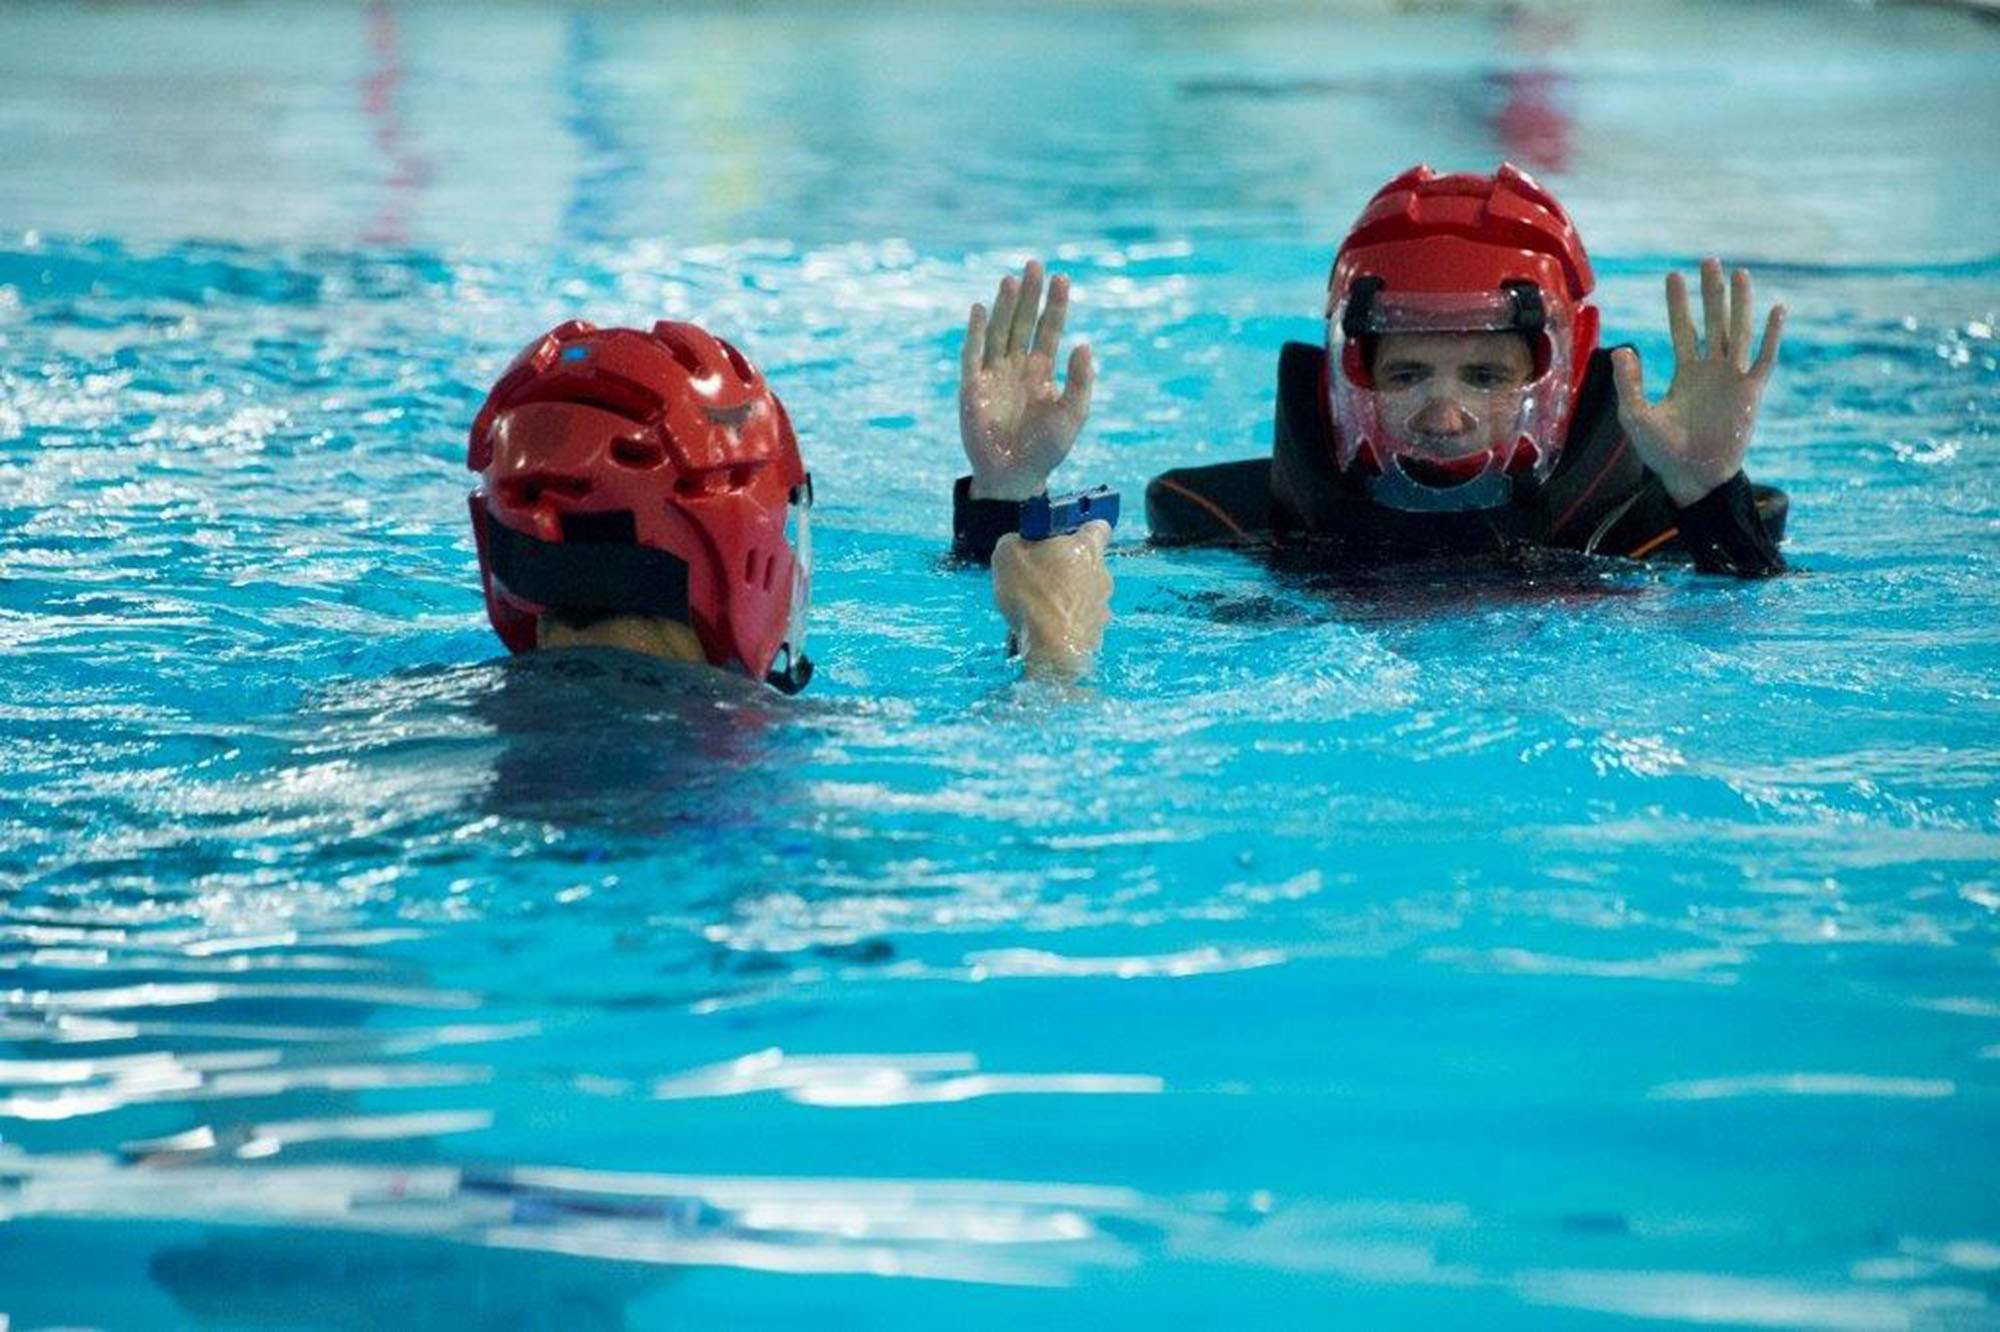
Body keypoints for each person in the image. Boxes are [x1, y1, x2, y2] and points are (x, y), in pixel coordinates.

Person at [950, 164, 1789, 581]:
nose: (1444, 414)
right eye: (1406, 373)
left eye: (1489, 378)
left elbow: (1754, 629)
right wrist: (1003, 492)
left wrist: (1709, 488)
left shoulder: (1650, 534)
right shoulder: (1239, 527)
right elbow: (1045, 609)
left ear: (1563, 370)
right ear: (1345, 375)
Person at [469, 318, 1112, 688]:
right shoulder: (743, 758)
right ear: (733, 541)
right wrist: (1058, 655)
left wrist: (1003, 494)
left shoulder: (429, 709)